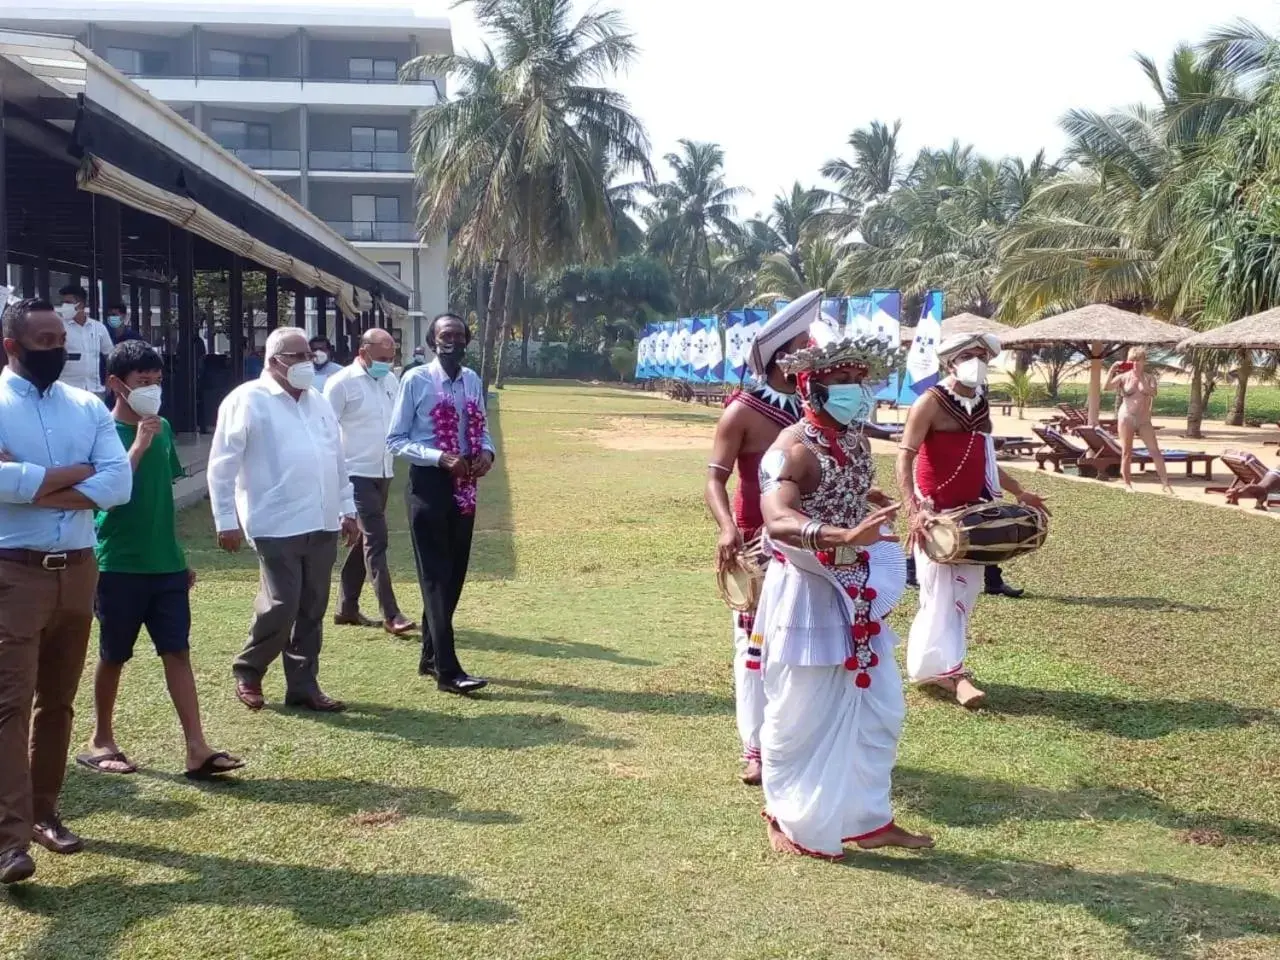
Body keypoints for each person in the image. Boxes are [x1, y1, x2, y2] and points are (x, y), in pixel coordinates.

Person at [755, 316, 933, 859]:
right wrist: (837, 534)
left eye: (863, 379)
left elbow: (846, 487)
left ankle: (866, 816)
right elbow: (776, 517)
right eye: (846, 380)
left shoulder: (853, 439)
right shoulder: (791, 447)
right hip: (808, 590)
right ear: (812, 387)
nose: (859, 391)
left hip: (857, 588)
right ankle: (789, 818)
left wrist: (878, 505)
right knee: (801, 709)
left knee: (878, 708)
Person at [0, 298, 132, 885]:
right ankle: (8, 840)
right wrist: (82, 474)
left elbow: (118, 483)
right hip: (13, 571)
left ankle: (44, 810)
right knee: (9, 704)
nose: (59, 349)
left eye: (61, 340)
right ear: (13, 346)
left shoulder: (86, 406)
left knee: (57, 701)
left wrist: (27, 483)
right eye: (45, 341)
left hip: (78, 570)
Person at [76, 340, 243, 781]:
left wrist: (177, 556)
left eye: (157, 381)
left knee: (178, 651)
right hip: (116, 565)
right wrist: (139, 447)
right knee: (113, 655)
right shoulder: (101, 435)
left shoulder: (164, 428)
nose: (152, 389)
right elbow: (106, 499)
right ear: (116, 385)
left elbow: (161, 499)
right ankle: (101, 739)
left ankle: (196, 748)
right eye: (142, 382)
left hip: (164, 565)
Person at [207, 326, 359, 714]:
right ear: (274, 362)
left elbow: (337, 461)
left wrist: (347, 509)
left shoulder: (318, 401)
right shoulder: (247, 400)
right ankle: (249, 670)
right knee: (282, 603)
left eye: (309, 354)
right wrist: (226, 519)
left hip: (321, 518)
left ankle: (303, 685)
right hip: (274, 519)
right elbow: (221, 467)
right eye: (298, 356)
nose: (308, 362)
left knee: (313, 606)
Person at [897, 333, 1050, 708]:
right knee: (941, 593)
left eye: (982, 356)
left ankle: (936, 667)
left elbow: (987, 461)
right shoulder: (929, 402)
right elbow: (905, 457)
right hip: (938, 515)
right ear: (951, 361)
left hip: (974, 513)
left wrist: (1019, 491)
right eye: (969, 355)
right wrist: (915, 510)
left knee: (964, 592)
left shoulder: (982, 404)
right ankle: (953, 673)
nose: (977, 361)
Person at [705, 290, 819, 785]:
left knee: (799, 643)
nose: (814, 349)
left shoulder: (817, 408)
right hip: (757, 544)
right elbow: (714, 478)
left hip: (809, 541)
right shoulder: (742, 411)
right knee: (754, 647)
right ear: (782, 356)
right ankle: (753, 746)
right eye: (805, 343)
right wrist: (728, 529)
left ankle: (791, 738)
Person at [388, 313, 495, 695]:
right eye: (445, 335)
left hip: (465, 485)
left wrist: (486, 452)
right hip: (429, 485)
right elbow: (396, 439)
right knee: (434, 577)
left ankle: (430, 656)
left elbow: (481, 429)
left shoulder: (472, 380)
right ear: (433, 342)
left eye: (460, 335)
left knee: (453, 575)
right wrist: (438, 457)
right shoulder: (415, 380)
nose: (453, 341)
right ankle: (448, 671)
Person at [324, 329, 416, 636]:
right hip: (354, 474)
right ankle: (391, 614)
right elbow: (323, 430)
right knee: (377, 539)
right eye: (381, 358)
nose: (387, 364)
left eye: (392, 358)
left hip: (383, 471)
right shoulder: (341, 384)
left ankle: (346, 608)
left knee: (365, 540)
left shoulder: (390, 381)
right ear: (363, 352)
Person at [1106, 347, 1173, 494]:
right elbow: (1107, 387)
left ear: (1144, 361)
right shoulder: (1124, 377)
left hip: (1143, 419)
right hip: (1127, 416)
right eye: (1133, 360)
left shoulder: (1149, 378)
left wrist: (1143, 382)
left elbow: (1153, 393)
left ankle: (1165, 484)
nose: (1135, 363)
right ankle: (1127, 484)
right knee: (1126, 452)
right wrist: (1112, 370)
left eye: (1138, 360)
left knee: (1155, 451)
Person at [56, 284, 113, 401]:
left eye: (68, 302)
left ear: (80, 304)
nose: (64, 306)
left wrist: (108, 383)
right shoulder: (59, 327)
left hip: (95, 391)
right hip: (67, 391)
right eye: (63, 302)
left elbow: (111, 356)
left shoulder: (98, 327)